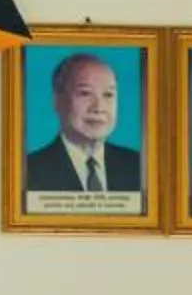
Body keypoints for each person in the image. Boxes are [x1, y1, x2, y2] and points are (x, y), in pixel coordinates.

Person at [22, 53, 143, 195]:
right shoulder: (28, 171)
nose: (98, 108)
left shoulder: (138, 166)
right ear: (57, 101)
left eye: (108, 95)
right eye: (85, 93)